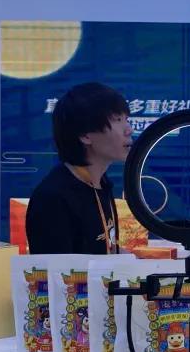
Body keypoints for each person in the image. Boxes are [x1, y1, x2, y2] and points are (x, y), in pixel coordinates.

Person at [25, 82, 132, 255]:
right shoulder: (53, 198)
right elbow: (55, 270)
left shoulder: (101, 183)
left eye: (126, 119)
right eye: (117, 120)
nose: (129, 130)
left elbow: (104, 250)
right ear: (84, 135)